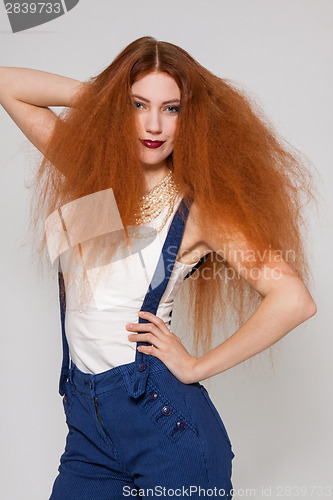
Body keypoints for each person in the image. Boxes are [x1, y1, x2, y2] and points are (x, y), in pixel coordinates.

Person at [0, 36, 317, 499]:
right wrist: (103, 100)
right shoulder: (93, 178)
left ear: (191, 119)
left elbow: (294, 299)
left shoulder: (198, 210)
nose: (153, 124)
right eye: (138, 105)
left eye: (172, 109)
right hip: (88, 429)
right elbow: (8, 84)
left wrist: (195, 366)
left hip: (164, 425)